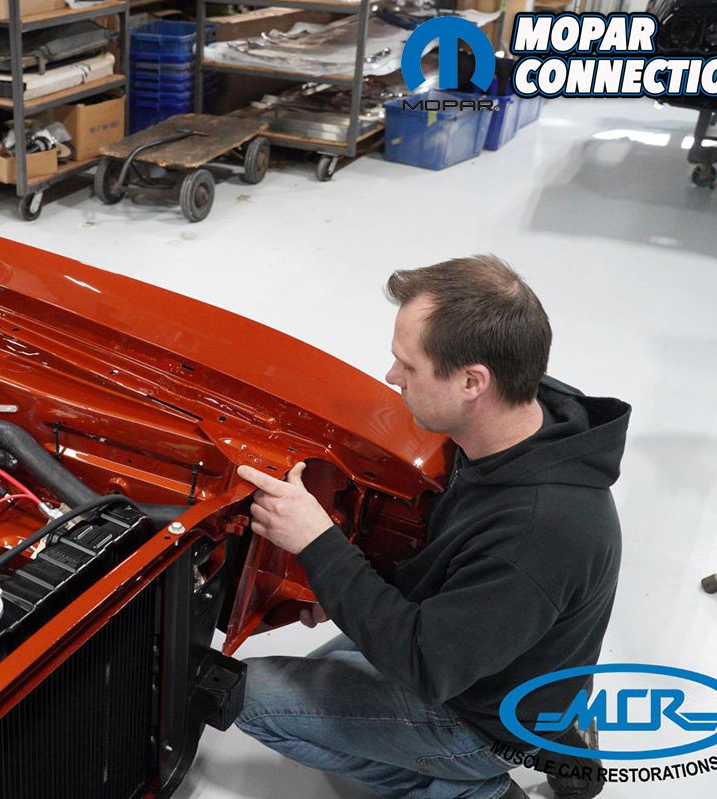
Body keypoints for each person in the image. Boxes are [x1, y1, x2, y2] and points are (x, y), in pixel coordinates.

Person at [235, 255, 630, 799]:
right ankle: (566, 739)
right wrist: (346, 585)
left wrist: (319, 547)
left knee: (251, 697)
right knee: (343, 647)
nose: (391, 377)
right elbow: (453, 556)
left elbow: (425, 666)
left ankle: (480, 789)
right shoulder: (519, 417)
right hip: (506, 653)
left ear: (472, 381)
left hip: (481, 717)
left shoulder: (537, 533)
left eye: (408, 366)